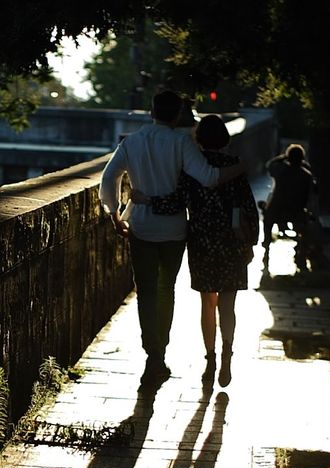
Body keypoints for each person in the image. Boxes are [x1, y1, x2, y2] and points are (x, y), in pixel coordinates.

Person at [99, 91, 248, 384]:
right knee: (167, 289)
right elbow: (207, 177)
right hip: (174, 231)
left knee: (146, 293)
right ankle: (160, 352)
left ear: (151, 110)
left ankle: (152, 354)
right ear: (179, 113)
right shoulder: (182, 142)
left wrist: (115, 214)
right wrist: (241, 167)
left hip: (140, 227)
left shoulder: (131, 142)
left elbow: (108, 179)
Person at [131, 115, 260, 386]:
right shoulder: (235, 168)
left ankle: (210, 358)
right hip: (232, 242)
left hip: (201, 241)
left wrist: (147, 200)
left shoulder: (192, 168)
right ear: (224, 138)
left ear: (198, 139)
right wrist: (251, 243)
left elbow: (176, 202)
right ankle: (227, 353)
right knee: (228, 304)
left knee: (207, 303)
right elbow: (249, 207)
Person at [262, 144, 317, 273]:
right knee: (306, 227)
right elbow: (310, 195)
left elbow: (269, 165)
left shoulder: (280, 171)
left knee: (267, 219)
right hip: (296, 211)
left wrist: (282, 157)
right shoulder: (306, 175)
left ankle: (266, 249)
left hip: (277, 210)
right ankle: (302, 257)